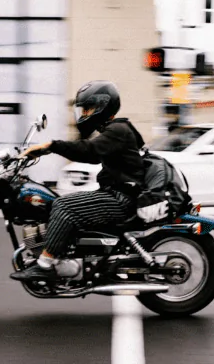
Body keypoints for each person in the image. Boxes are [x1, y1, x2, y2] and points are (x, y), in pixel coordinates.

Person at [9, 80, 146, 282]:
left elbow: (87, 150)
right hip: (117, 194)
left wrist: (50, 146)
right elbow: (92, 154)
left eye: (88, 108)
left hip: (121, 199)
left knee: (63, 206)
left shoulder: (118, 130)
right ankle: (63, 254)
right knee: (61, 203)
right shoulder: (115, 132)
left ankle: (46, 265)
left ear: (102, 106)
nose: (84, 114)